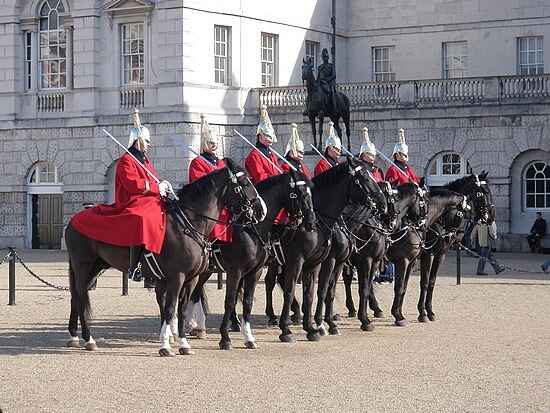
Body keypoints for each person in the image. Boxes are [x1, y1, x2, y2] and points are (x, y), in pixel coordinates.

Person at [70, 110, 172, 283]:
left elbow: (153, 179)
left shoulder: (145, 161)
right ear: (137, 141)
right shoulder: (127, 160)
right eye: (146, 141)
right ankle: (135, 266)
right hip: (132, 202)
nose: (149, 145)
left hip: (149, 200)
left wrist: (163, 185)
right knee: (141, 218)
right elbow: (133, 184)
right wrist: (156, 187)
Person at [188, 114, 231, 243]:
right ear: (205, 143)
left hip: (222, 200)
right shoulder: (197, 162)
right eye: (211, 143)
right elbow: (199, 184)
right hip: (207, 203)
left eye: (215, 143)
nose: (214, 146)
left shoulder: (220, 163)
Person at [244, 105, 282, 184]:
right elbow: (260, 177)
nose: (270, 139)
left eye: (271, 136)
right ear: (260, 136)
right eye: (268, 136)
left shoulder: (272, 154)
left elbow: (278, 171)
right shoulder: (254, 156)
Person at [317, 48, 338, 112]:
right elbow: (318, 77)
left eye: (326, 56)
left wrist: (326, 80)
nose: (325, 58)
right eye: (324, 57)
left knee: (332, 93)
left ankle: (335, 107)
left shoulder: (331, 66)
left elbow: (334, 75)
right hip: (321, 84)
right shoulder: (320, 67)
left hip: (329, 83)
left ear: (328, 57)